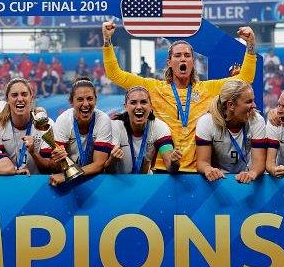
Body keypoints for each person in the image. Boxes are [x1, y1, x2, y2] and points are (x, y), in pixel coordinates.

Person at [101, 21, 256, 173]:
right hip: (163, 169)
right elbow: (115, 74)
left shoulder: (208, 88)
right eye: (178, 55)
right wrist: (107, 42)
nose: (183, 59)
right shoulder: (154, 88)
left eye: (187, 55)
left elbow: (244, 80)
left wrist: (250, 46)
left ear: (193, 62)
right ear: (169, 62)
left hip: (198, 170)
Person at [44, 78, 114, 186]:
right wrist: (57, 158)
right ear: (71, 102)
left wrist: (66, 176)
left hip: (94, 179)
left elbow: (99, 164)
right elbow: (55, 164)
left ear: (96, 100)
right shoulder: (63, 120)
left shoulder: (103, 120)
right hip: (68, 179)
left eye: (90, 99)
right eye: (80, 99)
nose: (86, 104)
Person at [194, 80, 267, 182]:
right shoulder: (206, 122)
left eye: (253, 100)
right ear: (231, 105)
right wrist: (209, 170)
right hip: (219, 181)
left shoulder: (257, 120)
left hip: (249, 180)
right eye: (248, 102)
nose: (254, 105)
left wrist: (251, 174)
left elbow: (259, 162)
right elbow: (202, 162)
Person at [107, 86, 176, 174]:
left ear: (151, 106)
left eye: (143, 102)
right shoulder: (115, 126)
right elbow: (107, 169)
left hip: (144, 181)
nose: (139, 107)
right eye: (133, 102)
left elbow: (170, 166)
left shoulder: (160, 127)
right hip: (118, 182)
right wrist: (112, 159)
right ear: (126, 107)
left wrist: (174, 162)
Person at [0, 78, 50, 175]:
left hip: (37, 182)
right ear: (7, 99)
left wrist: (34, 153)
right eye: (14, 95)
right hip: (9, 180)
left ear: (31, 98)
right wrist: (15, 171)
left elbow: (49, 169)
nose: (20, 99)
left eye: (24, 94)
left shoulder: (45, 125)